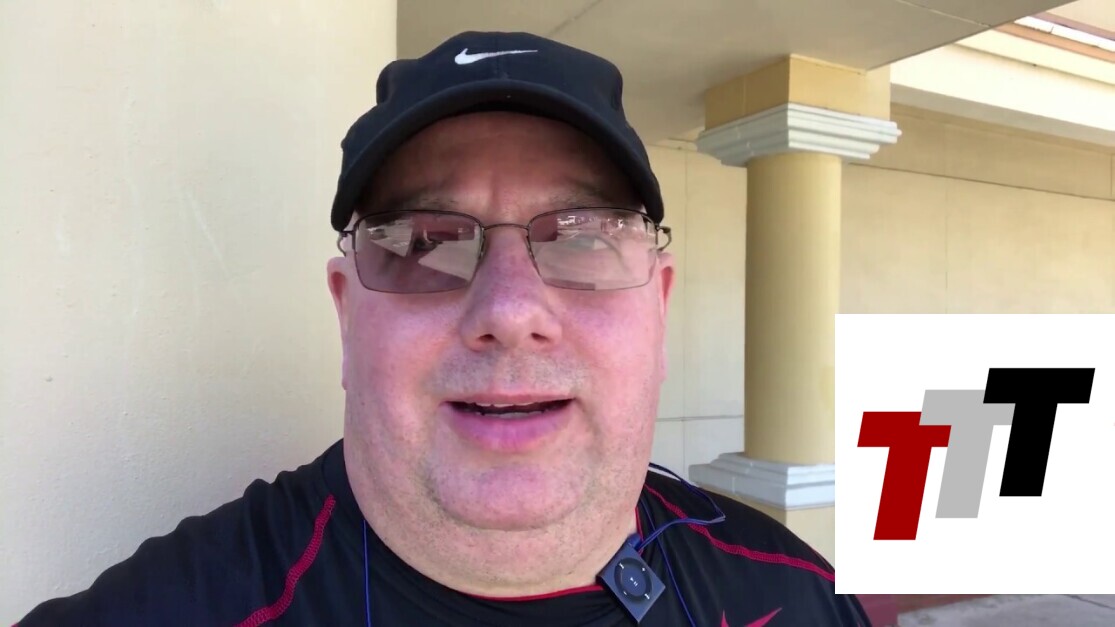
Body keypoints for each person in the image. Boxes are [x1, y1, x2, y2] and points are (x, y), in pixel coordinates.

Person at [17, 31, 869, 626]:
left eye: (580, 236)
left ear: (659, 306)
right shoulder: (179, 608)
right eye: (424, 243)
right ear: (346, 314)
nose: (509, 312)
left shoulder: (800, 597)